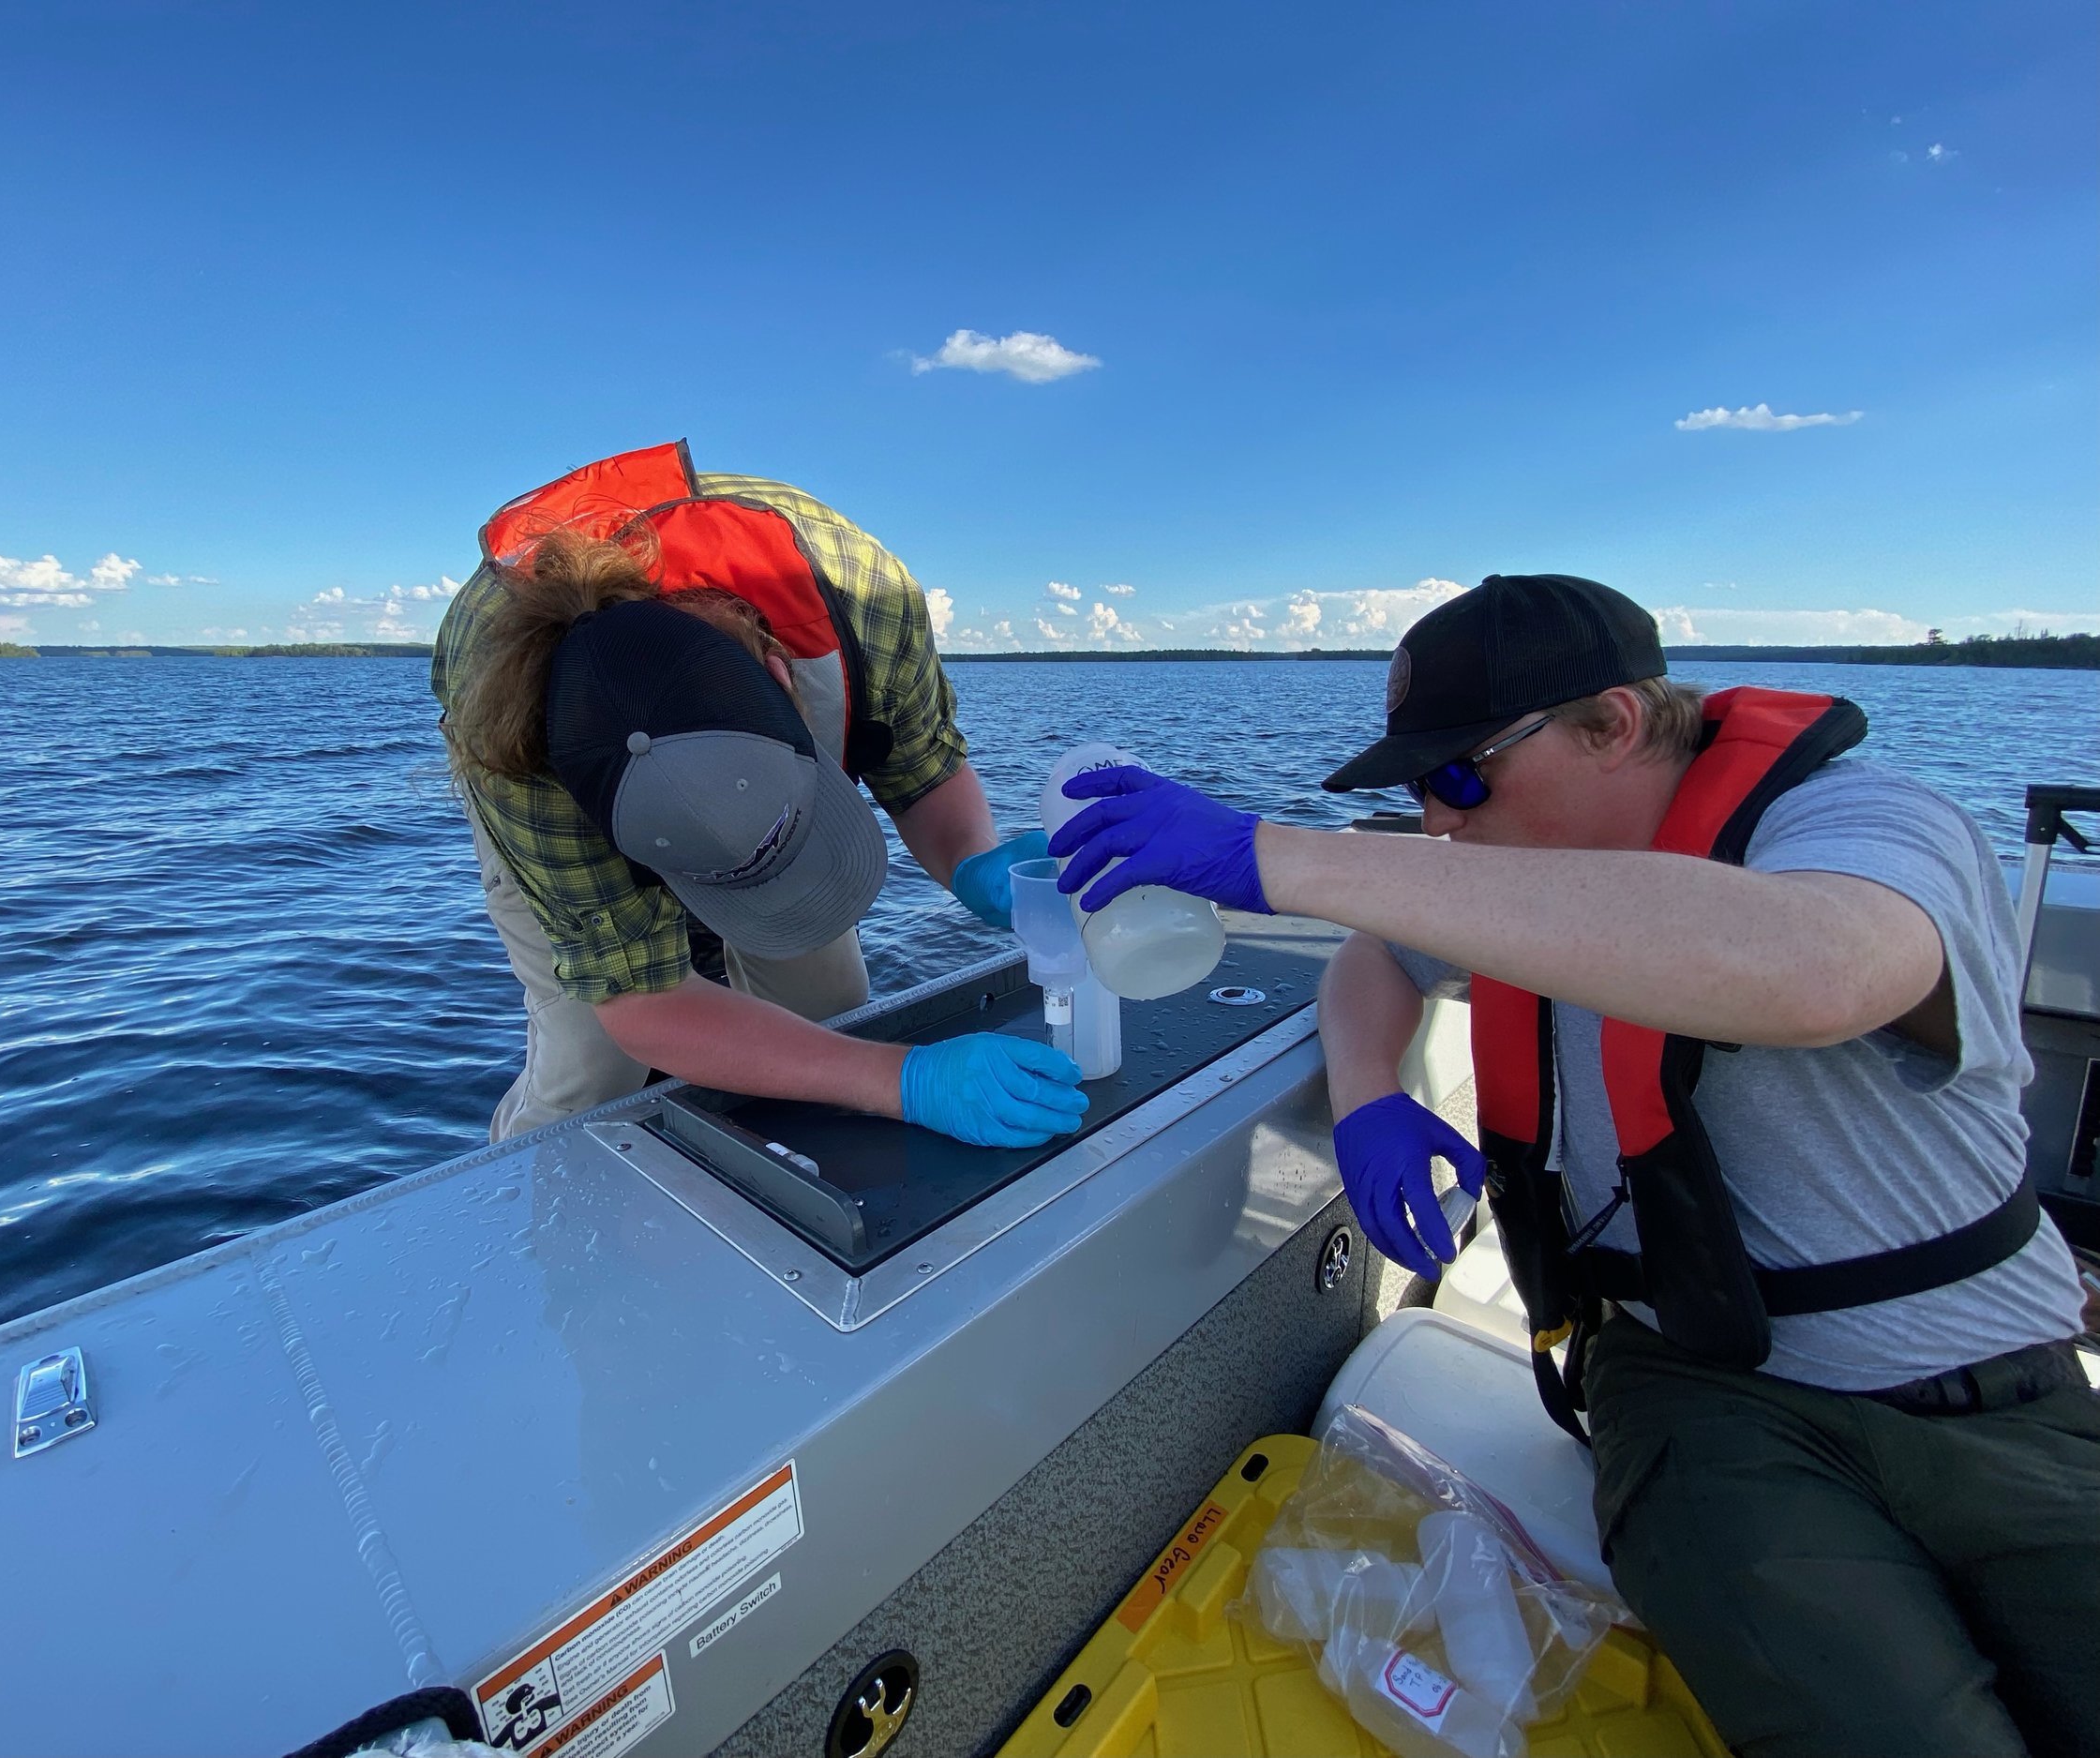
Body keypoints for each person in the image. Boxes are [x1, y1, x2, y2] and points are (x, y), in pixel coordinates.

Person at [1046, 573, 2096, 1756]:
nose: (1439, 825)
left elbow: (1816, 969)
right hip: (1702, 1389)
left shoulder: (1869, 824)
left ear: (1613, 722)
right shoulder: (1508, 864)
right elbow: (1379, 953)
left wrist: (1278, 855)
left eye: (1459, 777)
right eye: (1414, 791)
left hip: (2001, 1386)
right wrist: (1369, 1096)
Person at [433, 441, 1079, 1149]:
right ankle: (528, 1201)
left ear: (780, 678)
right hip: (537, 771)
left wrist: (972, 862)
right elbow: (637, 1001)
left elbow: (919, 766)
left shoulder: (865, 594)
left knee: (830, 1008)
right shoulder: (511, 740)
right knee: (591, 1068)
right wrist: (902, 1079)